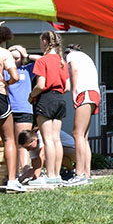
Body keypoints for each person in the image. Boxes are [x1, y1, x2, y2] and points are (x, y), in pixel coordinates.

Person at [26, 31, 70, 189]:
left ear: (45, 42)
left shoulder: (42, 61)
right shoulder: (61, 62)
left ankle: (50, 175)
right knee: (56, 139)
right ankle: (57, 174)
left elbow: (41, 85)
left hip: (45, 100)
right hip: (59, 100)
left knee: (48, 140)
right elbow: (68, 87)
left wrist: (31, 96)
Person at [64, 44, 100, 185]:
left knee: (77, 134)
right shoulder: (85, 58)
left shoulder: (72, 56)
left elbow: (74, 70)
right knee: (83, 137)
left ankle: (79, 174)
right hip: (93, 94)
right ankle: (86, 174)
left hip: (84, 93)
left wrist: (74, 91)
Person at [0, 26, 22, 192]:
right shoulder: (5, 54)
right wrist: (7, 84)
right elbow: (14, 76)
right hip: (0, 95)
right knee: (8, 139)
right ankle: (12, 180)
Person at [7, 46, 34, 179]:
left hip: (24, 110)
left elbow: (43, 60)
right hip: (9, 110)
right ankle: (14, 174)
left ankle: (25, 173)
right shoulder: (5, 71)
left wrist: (26, 54)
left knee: (23, 143)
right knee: (11, 142)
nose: (14, 60)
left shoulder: (27, 69)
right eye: (11, 58)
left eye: (16, 58)